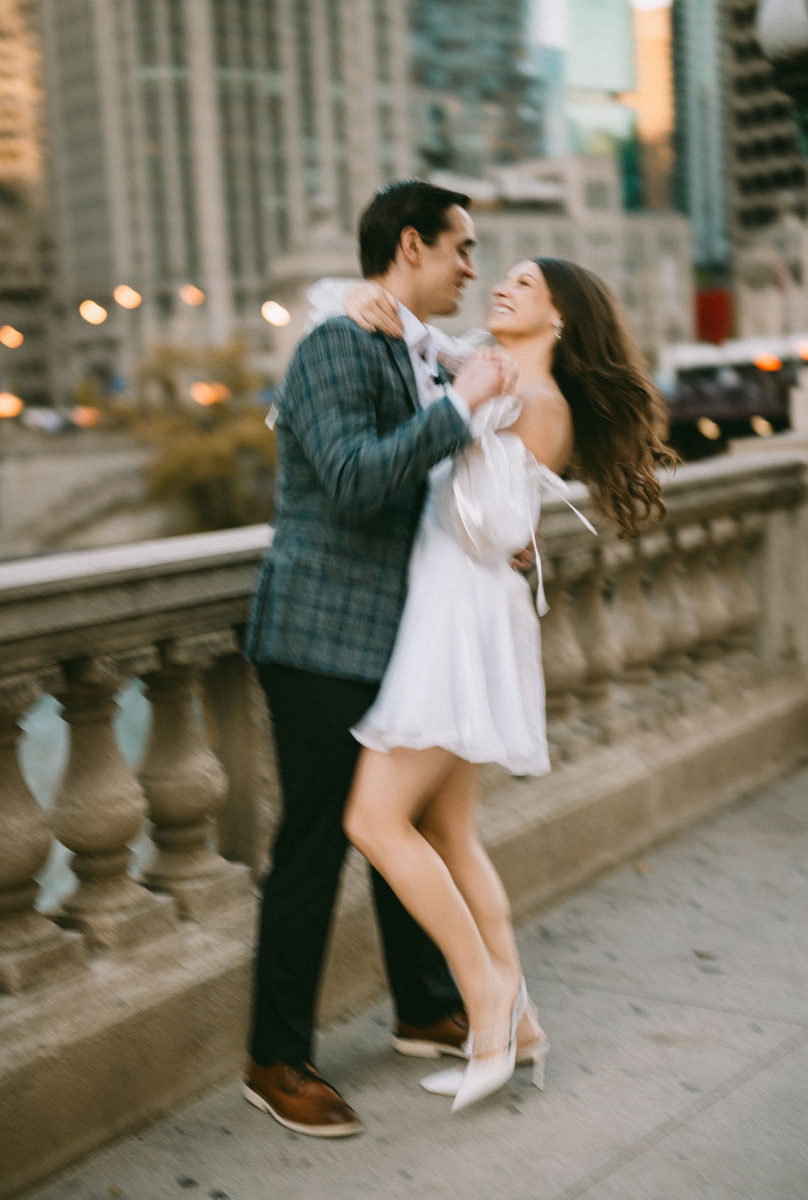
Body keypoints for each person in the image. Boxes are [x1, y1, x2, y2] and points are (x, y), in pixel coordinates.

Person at [316, 256, 678, 1111]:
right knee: (449, 827)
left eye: (523, 283)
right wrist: (364, 301)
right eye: (501, 277)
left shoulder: (533, 401)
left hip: (458, 619)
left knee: (372, 817)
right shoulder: (497, 371)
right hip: (462, 612)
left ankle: (484, 997)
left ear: (558, 317)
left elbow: (492, 527)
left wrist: (465, 408)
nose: (503, 287)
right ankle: (519, 1024)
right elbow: (410, 335)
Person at [242, 179, 516, 1137]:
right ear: (412, 245)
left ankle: (421, 1006)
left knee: (395, 825)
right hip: (317, 636)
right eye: (462, 248)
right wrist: (461, 405)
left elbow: (431, 487)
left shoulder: (412, 348)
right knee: (316, 844)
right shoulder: (332, 346)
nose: (473, 268)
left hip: (396, 633)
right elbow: (356, 479)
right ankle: (274, 1058)